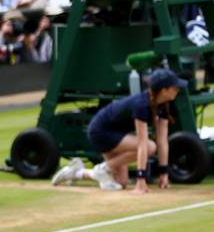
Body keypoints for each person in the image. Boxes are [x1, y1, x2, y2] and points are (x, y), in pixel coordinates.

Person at [51, 69, 184, 193]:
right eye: (175, 87)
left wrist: (164, 173)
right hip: (101, 132)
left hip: (117, 134)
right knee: (150, 146)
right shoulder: (142, 105)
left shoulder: (165, 105)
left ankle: (75, 172)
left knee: (121, 183)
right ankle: (102, 168)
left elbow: (162, 140)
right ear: (163, 90)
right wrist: (140, 181)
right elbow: (142, 144)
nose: (178, 89)